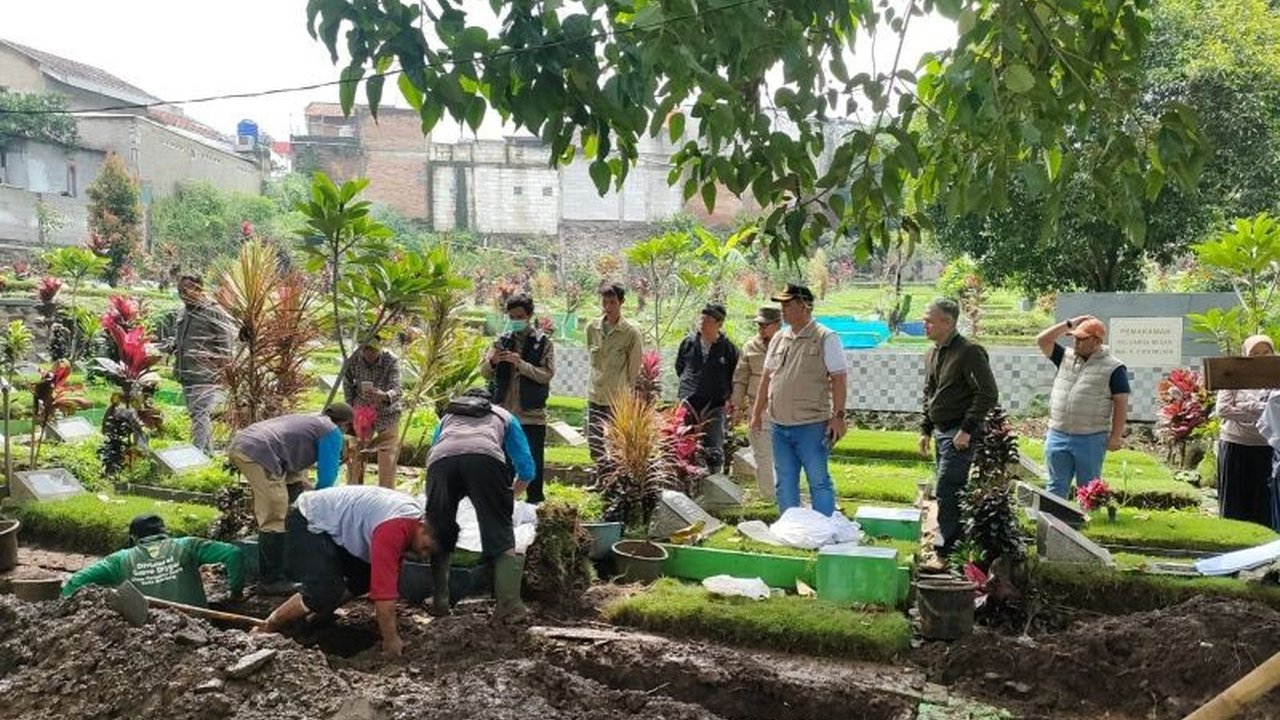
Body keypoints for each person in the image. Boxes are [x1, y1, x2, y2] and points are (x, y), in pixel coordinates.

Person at [258, 485, 433, 657]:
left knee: (364, 578)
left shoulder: (413, 523)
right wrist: (391, 640)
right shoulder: (395, 529)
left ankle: (318, 616)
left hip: (337, 527)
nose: (424, 556)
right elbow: (384, 596)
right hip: (308, 518)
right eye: (425, 548)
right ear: (422, 526)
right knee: (323, 589)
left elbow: (382, 583)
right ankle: (267, 626)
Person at [425, 388, 535, 623]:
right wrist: (507, 499)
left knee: (439, 529)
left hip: (440, 464)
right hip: (485, 461)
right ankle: (509, 606)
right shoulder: (503, 416)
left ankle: (440, 601)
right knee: (499, 530)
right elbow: (526, 467)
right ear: (489, 402)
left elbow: (435, 451)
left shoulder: (448, 418)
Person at [227, 403, 354, 594]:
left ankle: (287, 565)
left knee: (294, 495)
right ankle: (271, 580)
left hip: (247, 443)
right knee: (275, 513)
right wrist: (323, 510)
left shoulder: (313, 421)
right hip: (258, 453)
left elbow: (297, 475)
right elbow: (327, 478)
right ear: (344, 424)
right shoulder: (331, 431)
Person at [748, 284, 848, 516]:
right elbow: (766, 378)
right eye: (781, 305)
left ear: (805, 307)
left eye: (788, 304)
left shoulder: (826, 337)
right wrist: (756, 414)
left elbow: (839, 379)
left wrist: (838, 417)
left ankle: (824, 527)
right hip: (779, 425)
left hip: (811, 424)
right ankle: (791, 528)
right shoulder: (779, 338)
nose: (782, 310)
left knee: (818, 480)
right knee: (784, 481)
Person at [919, 298, 998, 560]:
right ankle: (950, 538)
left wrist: (967, 429)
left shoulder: (969, 351)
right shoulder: (934, 351)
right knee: (946, 488)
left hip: (958, 431)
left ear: (948, 322)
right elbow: (930, 392)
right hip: (941, 429)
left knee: (948, 487)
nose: (924, 324)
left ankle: (949, 545)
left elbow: (987, 393)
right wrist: (925, 429)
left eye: (930, 320)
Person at [1036, 316, 1130, 498]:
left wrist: (1115, 436)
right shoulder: (1065, 357)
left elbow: (1121, 403)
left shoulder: (1114, 367)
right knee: (1055, 485)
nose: (1076, 342)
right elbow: (1042, 340)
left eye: (1081, 339)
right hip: (1058, 433)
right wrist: (1070, 323)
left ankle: (1087, 524)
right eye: (1074, 338)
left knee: (1088, 489)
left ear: (1096, 341)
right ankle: (1052, 523)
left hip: (1091, 438)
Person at [61, 514, 244, 607]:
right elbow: (233, 553)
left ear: (133, 538)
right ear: (165, 532)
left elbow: (75, 582)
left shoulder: (120, 560)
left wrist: (63, 610)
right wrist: (235, 592)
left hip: (150, 634)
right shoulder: (187, 546)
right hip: (200, 626)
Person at [481, 293, 556, 503]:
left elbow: (547, 374)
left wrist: (521, 364)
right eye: (512, 317)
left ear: (530, 315)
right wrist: (493, 361)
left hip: (531, 414)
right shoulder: (501, 340)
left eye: (520, 316)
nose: (515, 321)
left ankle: (534, 503)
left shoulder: (543, 343)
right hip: (504, 413)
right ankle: (502, 502)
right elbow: (485, 372)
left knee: (532, 463)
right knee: (503, 461)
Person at [170, 274, 235, 454]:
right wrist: (172, 346)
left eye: (186, 290)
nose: (182, 294)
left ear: (199, 289)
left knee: (200, 413)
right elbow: (180, 339)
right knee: (196, 414)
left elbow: (226, 343)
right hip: (186, 373)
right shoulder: (184, 311)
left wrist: (225, 372)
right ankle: (207, 455)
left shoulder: (214, 311)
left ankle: (196, 453)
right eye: (179, 291)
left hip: (206, 374)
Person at [1217, 335, 1276, 526]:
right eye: (1255, 353)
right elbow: (1223, 409)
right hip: (1236, 445)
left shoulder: (1277, 375)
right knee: (1235, 502)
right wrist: (1263, 410)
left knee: (1265, 503)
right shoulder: (1233, 374)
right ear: (1245, 355)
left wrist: (1247, 406)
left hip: (1268, 446)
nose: (1261, 357)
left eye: (1266, 352)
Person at [585, 282, 644, 466]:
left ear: (621, 302)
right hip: (595, 394)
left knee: (616, 442)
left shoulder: (630, 333)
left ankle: (616, 482)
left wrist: (630, 396)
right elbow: (593, 358)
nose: (608, 307)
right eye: (605, 302)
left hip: (617, 398)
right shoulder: (592, 328)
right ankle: (601, 477)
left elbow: (634, 369)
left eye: (612, 302)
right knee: (594, 440)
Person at [675, 303, 739, 473]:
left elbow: (734, 375)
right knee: (684, 442)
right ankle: (687, 478)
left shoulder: (728, 349)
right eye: (702, 319)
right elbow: (679, 367)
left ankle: (715, 479)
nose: (703, 324)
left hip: (715, 403)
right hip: (689, 400)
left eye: (709, 320)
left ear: (719, 324)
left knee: (713, 445)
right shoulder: (688, 343)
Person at [731, 306, 782, 499]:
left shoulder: (790, 344)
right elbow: (740, 378)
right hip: (757, 409)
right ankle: (770, 497)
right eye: (758, 325)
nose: (761, 329)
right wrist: (736, 406)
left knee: (785, 458)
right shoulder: (750, 346)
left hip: (786, 409)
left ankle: (786, 495)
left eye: (765, 325)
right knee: (762, 456)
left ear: (778, 324)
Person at [342, 334, 403, 488]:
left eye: (373, 350)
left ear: (380, 348)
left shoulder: (391, 361)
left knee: (387, 455)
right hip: (361, 411)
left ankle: (386, 493)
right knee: (356, 452)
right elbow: (347, 385)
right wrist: (351, 410)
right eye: (366, 349)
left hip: (387, 412)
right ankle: (354, 490)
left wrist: (384, 396)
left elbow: (398, 389)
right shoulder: (353, 360)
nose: (369, 353)